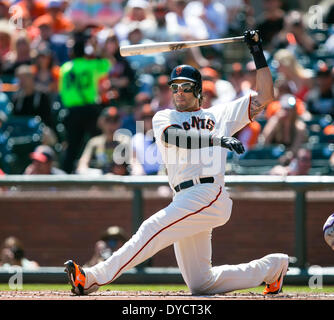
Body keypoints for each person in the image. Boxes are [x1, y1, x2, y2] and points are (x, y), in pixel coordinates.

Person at [64, 30, 289, 296]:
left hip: (208, 192)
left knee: (150, 228)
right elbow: (177, 137)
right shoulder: (164, 117)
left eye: (185, 86)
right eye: (175, 87)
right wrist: (216, 139)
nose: (179, 92)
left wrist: (257, 52)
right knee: (201, 283)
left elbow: (266, 95)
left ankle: (91, 277)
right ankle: (273, 267)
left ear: (197, 89)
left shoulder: (219, 114)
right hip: (183, 196)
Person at [59, 31, 111, 173]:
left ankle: (66, 177)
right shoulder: (91, 65)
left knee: (72, 147)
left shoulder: (64, 68)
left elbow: (62, 92)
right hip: (89, 110)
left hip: (72, 111)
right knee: (98, 141)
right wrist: (96, 49)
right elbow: (108, 64)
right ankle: (102, 170)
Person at [76, 106, 131, 176]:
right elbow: (83, 163)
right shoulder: (94, 142)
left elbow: (135, 162)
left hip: (120, 182)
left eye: (115, 120)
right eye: (108, 120)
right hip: (99, 182)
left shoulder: (125, 141)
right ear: (100, 122)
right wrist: (84, 171)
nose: (111, 124)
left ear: (119, 123)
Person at [261, 93, 308, 164]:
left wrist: (286, 158)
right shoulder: (274, 122)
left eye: (290, 109)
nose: (288, 112)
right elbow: (264, 142)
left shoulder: (299, 127)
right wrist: (276, 121)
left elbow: (295, 149)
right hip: (273, 160)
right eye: (285, 109)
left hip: (293, 162)